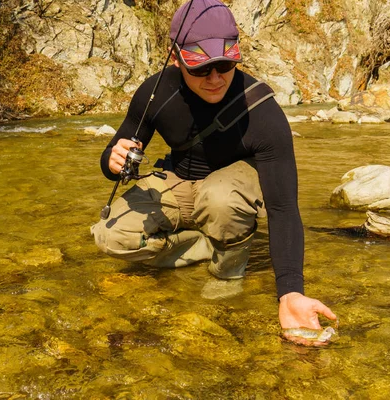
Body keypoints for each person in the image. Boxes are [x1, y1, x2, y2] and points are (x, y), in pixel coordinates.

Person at [90, 0, 337, 345]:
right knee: (109, 236)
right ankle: (204, 245)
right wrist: (112, 162)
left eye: (224, 65)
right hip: (178, 180)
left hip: (229, 190)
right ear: (175, 58)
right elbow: (112, 159)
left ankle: (228, 270)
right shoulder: (155, 92)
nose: (215, 78)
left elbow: (283, 210)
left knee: (219, 198)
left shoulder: (263, 113)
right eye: (200, 69)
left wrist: (290, 292)